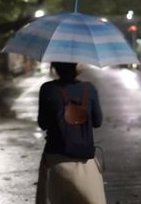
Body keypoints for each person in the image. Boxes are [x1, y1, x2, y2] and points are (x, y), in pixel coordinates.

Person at [36, 62, 106, 204]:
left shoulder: (47, 89)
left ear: (54, 67)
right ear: (75, 67)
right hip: (84, 163)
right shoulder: (89, 89)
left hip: (55, 163)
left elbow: (42, 124)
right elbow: (97, 122)